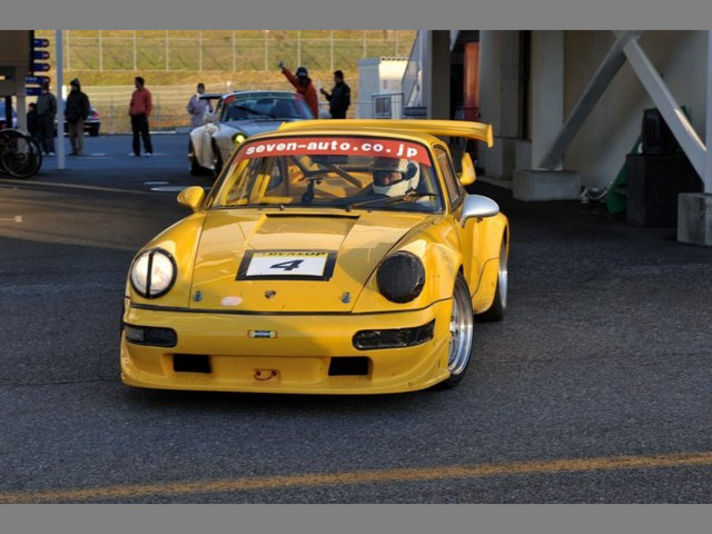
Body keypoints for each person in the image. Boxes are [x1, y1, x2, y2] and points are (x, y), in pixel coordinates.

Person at [65, 78, 91, 156]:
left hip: (79, 118)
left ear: (77, 86)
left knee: (79, 135)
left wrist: (84, 117)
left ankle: (80, 150)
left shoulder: (83, 96)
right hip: (70, 118)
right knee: (71, 135)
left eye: (73, 86)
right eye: (72, 86)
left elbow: (86, 107)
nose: (72, 87)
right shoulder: (70, 96)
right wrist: (67, 115)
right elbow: (67, 106)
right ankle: (73, 150)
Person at [128, 76, 153, 156]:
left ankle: (148, 150)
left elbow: (149, 104)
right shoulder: (135, 93)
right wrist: (131, 111)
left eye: (136, 82)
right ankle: (136, 151)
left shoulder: (146, 93)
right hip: (134, 116)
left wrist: (146, 114)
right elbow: (132, 103)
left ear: (139, 83)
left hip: (142, 115)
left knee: (144, 134)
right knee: (135, 135)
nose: (135, 84)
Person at [36, 81, 57, 156]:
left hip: (48, 117)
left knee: (49, 135)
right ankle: (44, 149)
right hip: (40, 117)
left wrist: (51, 116)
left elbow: (54, 108)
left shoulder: (51, 97)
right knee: (42, 135)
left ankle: (51, 149)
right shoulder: (40, 96)